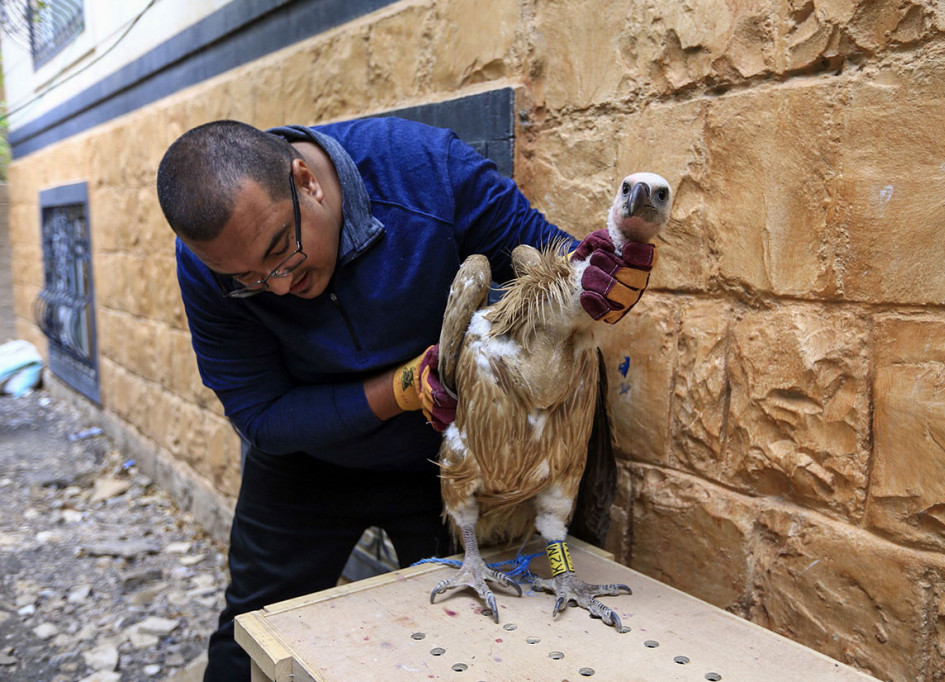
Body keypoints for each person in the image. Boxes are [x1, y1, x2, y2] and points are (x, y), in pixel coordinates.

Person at [156, 117, 655, 680]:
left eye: (282, 251)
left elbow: (554, 264)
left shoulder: (427, 172)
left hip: (443, 459)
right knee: (249, 637)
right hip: (306, 461)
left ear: (306, 181)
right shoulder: (210, 267)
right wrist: (404, 388)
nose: (275, 286)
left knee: (471, 633)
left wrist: (603, 277)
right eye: (246, 278)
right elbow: (261, 416)